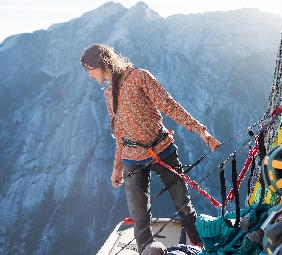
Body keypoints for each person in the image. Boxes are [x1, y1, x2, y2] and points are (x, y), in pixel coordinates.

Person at [80, 44, 221, 253]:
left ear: (101, 64)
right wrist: (117, 167)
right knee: (139, 218)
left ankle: (202, 247)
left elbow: (169, 106)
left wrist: (202, 133)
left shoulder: (139, 77)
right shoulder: (108, 94)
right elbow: (119, 133)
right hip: (132, 158)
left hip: (162, 149)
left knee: (183, 205)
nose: (89, 76)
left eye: (88, 70)